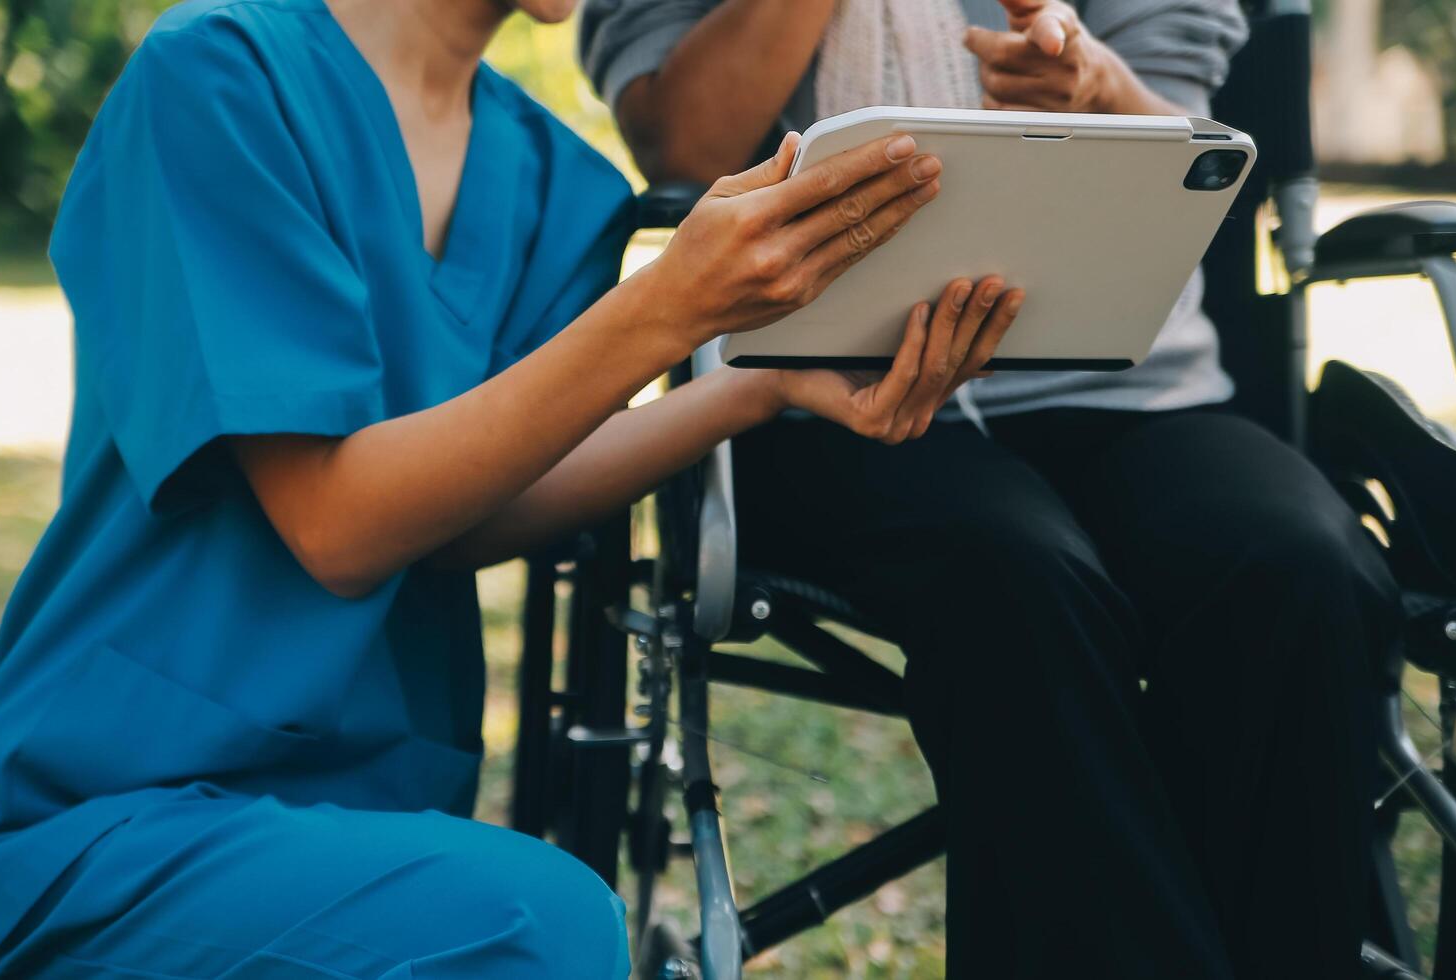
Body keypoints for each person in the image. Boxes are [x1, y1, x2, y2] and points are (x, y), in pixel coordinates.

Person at [0, 0, 1029, 975]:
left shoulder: (554, 181)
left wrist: (754, 388)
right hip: (104, 813)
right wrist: (666, 311)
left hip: (362, 822)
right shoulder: (215, 76)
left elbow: (467, 514)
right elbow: (338, 525)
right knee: (539, 927)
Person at [581, 1, 1401, 977]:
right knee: (1010, 572)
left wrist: (1097, 91)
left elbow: (1188, 153)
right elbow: (682, 147)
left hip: (1129, 379)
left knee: (1297, 556)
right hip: (824, 389)